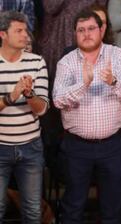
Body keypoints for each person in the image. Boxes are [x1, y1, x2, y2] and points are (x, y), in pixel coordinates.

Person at [53, 9, 121, 223]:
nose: (86, 33)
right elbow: (58, 100)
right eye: (81, 30)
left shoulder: (117, 56)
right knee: (73, 208)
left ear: (102, 30)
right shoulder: (67, 62)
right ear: (75, 34)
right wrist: (84, 83)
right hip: (77, 147)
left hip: (112, 145)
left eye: (91, 28)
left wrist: (114, 82)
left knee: (112, 209)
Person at [0, 11, 49, 223]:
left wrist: (29, 94)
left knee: (32, 211)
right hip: (0, 146)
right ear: (2, 34)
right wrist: (12, 96)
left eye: (26, 30)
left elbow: (42, 110)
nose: (25, 35)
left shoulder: (37, 62)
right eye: (18, 31)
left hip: (31, 146)